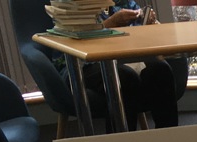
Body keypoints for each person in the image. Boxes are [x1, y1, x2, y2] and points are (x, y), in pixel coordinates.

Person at [54, 0, 179, 130]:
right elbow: (71, 42)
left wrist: (147, 24)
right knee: (124, 77)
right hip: (80, 64)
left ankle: (168, 141)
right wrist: (110, 24)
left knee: (160, 70)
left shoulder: (124, 3)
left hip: (124, 59)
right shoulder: (72, 6)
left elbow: (138, 36)